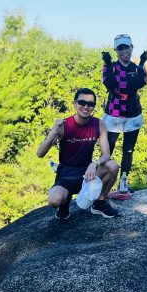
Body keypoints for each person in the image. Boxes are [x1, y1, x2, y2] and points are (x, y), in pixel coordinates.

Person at [36, 88, 120, 219]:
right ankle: (64, 205)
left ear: (94, 107)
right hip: (66, 174)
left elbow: (106, 155)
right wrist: (53, 132)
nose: (86, 106)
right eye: (82, 102)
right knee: (54, 200)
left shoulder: (99, 124)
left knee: (113, 165)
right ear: (75, 104)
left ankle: (100, 203)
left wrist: (94, 163)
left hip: (87, 174)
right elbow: (40, 153)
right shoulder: (63, 125)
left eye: (91, 104)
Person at [101, 34, 147, 200]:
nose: (124, 51)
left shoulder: (137, 68)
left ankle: (123, 182)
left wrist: (142, 64)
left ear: (131, 48)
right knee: (108, 150)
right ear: (116, 50)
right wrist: (107, 64)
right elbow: (110, 84)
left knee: (128, 151)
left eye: (126, 47)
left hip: (133, 114)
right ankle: (103, 181)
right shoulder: (110, 67)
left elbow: (139, 84)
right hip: (113, 114)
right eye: (120, 48)